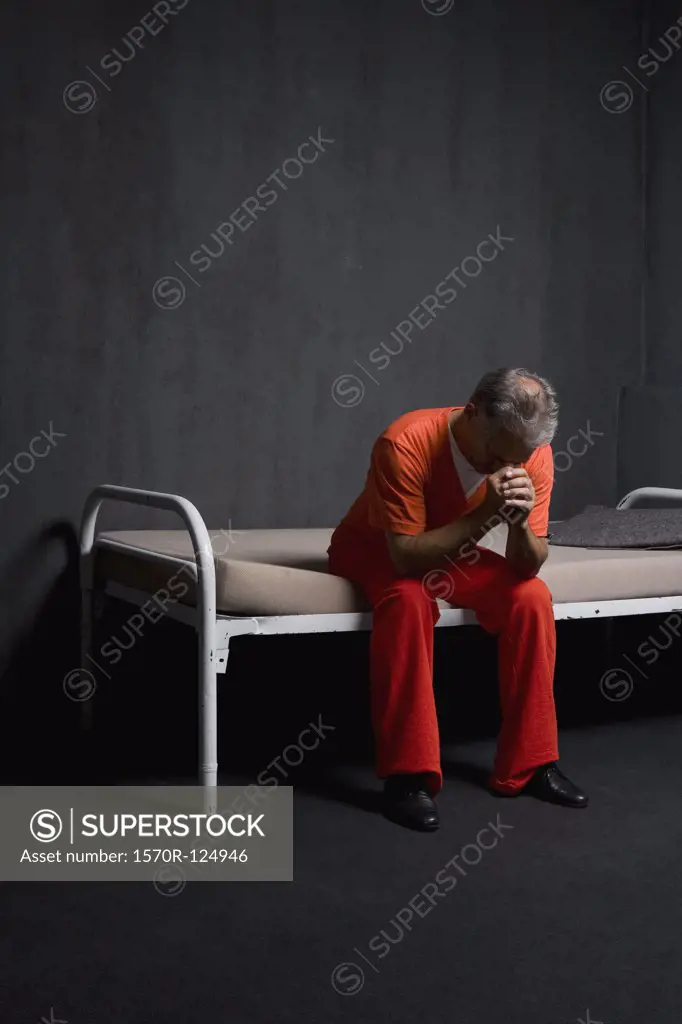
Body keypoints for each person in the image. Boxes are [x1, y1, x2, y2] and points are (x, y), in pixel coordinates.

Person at [327, 367, 588, 831]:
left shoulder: (533, 454)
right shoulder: (404, 442)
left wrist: (519, 525)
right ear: (472, 412)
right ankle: (408, 777)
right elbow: (405, 558)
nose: (502, 467)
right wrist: (488, 510)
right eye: (494, 454)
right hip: (378, 549)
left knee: (531, 597)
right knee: (408, 601)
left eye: (517, 458)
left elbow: (527, 564)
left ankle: (530, 766)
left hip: (452, 553)